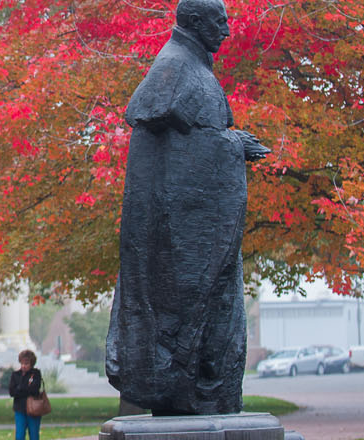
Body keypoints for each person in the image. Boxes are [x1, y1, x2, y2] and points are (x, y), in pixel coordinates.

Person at [107, 0, 267, 416]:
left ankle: (208, 395)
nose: (228, 31)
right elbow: (168, 137)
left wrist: (227, 143)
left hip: (193, 233)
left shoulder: (193, 67)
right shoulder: (173, 66)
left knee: (221, 318)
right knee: (193, 323)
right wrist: (233, 146)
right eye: (220, 22)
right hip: (178, 245)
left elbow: (194, 139)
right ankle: (191, 393)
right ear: (195, 22)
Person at [8, 350, 44, 440]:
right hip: (20, 409)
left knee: (34, 435)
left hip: (33, 409)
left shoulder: (35, 374)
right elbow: (12, 392)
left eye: (26, 363)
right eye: (22, 363)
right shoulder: (15, 375)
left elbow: (34, 389)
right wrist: (24, 388)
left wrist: (20, 389)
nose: (24, 366)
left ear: (31, 364)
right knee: (19, 435)